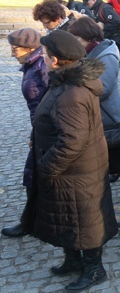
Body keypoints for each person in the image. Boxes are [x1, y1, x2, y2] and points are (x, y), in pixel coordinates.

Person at [30, 30, 117, 291]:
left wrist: (48, 165)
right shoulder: (65, 83)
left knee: (84, 220)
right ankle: (73, 259)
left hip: (75, 171)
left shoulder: (72, 94)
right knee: (70, 217)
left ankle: (94, 270)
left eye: (44, 54)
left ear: (56, 60)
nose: (42, 58)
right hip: (73, 170)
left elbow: (73, 140)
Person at [67, 17, 120, 200]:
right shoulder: (91, 53)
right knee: (117, 158)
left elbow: (105, 87)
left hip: (108, 118)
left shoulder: (106, 55)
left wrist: (77, 91)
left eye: (78, 40)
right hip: (97, 117)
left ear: (88, 37)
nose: (76, 44)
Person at [1, 28, 48, 238]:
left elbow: (51, 100)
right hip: (39, 129)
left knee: (37, 176)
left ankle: (30, 222)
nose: (12, 51)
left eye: (15, 47)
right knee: (34, 176)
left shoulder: (42, 66)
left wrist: (40, 132)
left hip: (47, 131)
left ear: (30, 48)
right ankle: (31, 221)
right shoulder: (30, 64)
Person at [82, 0, 120, 85]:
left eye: (88, 4)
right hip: (108, 41)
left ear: (93, 0)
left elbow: (117, 22)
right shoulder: (96, 9)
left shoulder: (105, 8)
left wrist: (103, 27)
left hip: (116, 40)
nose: (87, 6)